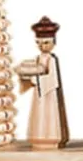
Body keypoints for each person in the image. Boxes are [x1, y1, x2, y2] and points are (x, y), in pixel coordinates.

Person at [17, 16, 68, 148]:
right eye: (38, 43)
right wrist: (25, 78)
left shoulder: (52, 59)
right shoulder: (38, 58)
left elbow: (53, 79)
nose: (42, 46)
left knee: (50, 116)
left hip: (49, 94)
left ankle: (51, 138)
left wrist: (37, 80)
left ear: (53, 42)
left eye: (46, 42)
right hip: (39, 95)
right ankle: (37, 137)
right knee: (38, 116)